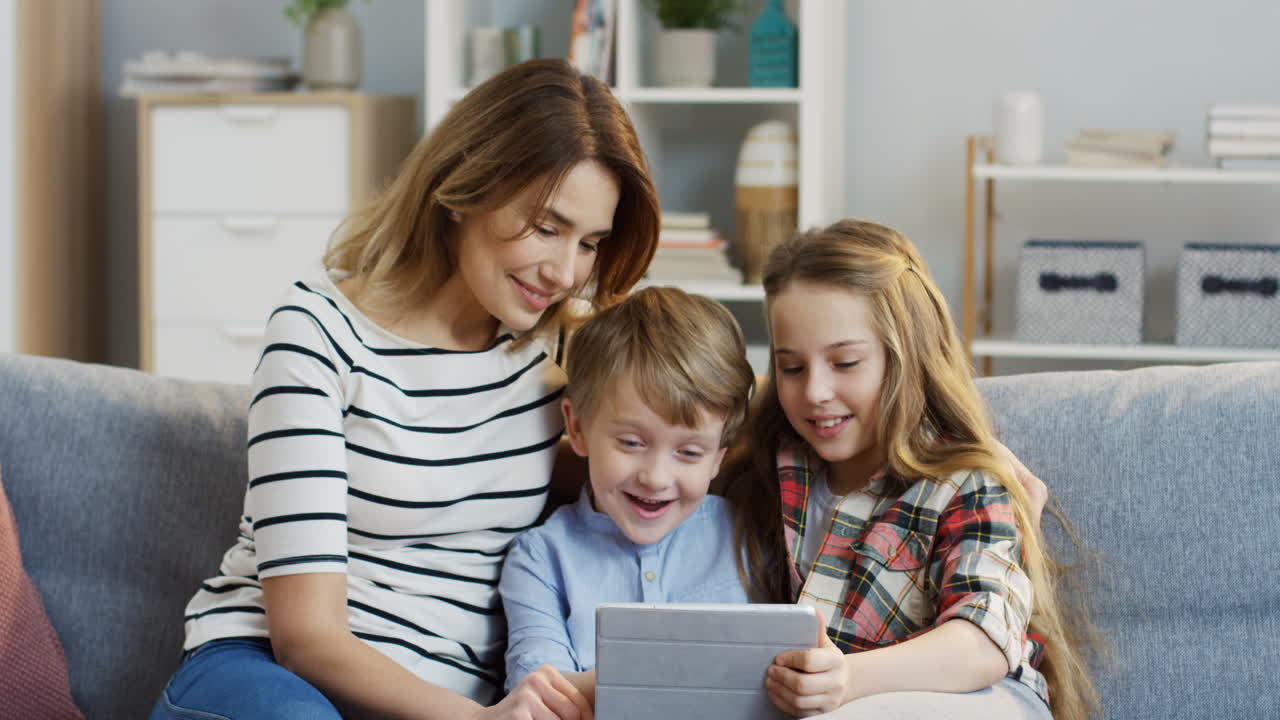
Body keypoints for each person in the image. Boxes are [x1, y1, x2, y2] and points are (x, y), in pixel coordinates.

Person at [148, 58, 659, 720]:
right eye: (545, 227)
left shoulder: (560, 356)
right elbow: (307, 638)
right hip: (263, 676)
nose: (564, 270)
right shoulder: (318, 333)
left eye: (590, 242)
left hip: (450, 702)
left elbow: (703, 412)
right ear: (464, 186)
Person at [721, 219, 1097, 720]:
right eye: (792, 367)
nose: (814, 392)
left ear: (905, 359)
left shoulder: (964, 483)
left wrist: (850, 678)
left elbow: (984, 640)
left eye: (846, 362)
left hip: (976, 700)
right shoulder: (773, 466)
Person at [498, 286, 757, 707]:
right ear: (578, 428)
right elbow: (543, 697)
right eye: (632, 443)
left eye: (689, 453)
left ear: (716, 459)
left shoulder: (750, 536)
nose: (656, 478)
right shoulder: (540, 558)